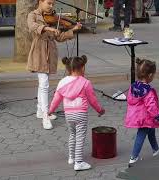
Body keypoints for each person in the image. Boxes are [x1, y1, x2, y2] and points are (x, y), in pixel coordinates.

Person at [27, 0, 82, 130]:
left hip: (50, 52)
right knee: (44, 83)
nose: (51, 6)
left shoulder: (53, 18)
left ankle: (40, 110)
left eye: (53, 4)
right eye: (49, 3)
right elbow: (32, 26)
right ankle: (46, 115)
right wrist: (47, 27)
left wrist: (73, 29)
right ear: (40, 1)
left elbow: (59, 37)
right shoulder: (33, 15)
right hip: (39, 52)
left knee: (43, 84)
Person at [48, 55, 105, 171]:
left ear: (68, 68)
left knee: (72, 135)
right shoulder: (85, 83)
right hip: (81, 114)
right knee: (80, 137)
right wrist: (100, 110)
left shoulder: (62, 82)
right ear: (82, 68)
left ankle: (71, 157)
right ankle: (78, 162)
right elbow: (92, 100)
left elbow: (56, 99)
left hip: (68, 114)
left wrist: (51, 110)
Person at [124, 58, 159, 167]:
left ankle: (156, 150)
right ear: (150, 75)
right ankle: (133, 158)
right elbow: (152, 106)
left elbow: (129, 99)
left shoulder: (133, 86)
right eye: (154, 75)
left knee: (151, 130)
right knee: (142, 134)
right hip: (145, 117)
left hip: (137, 116)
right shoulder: (148, 91)